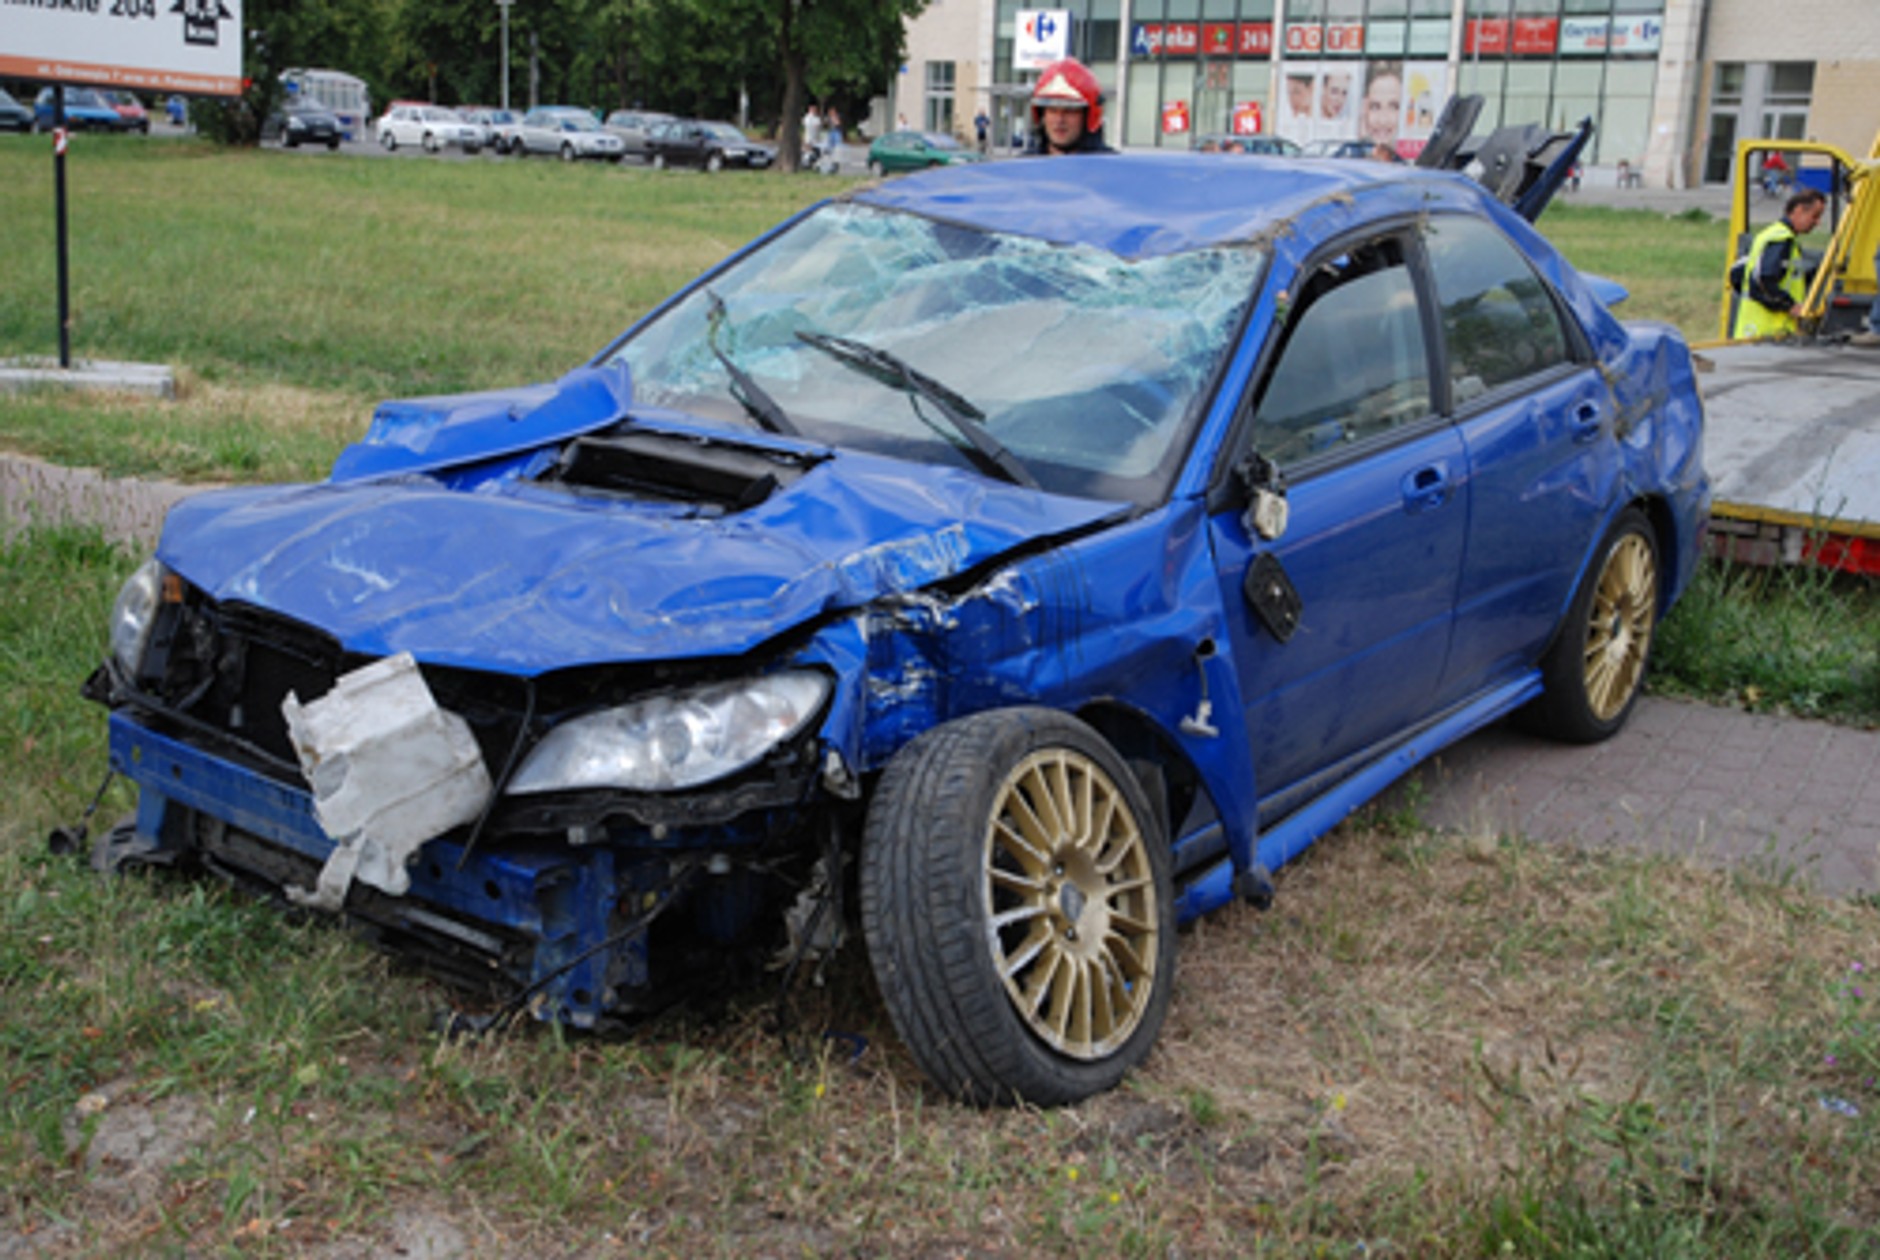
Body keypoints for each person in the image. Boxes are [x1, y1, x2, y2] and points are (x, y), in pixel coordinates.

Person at [1733, 187, 1827, 340]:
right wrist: (1790, 305)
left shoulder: (1771, 234)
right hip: (1767, 334)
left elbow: (1737, 275)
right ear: (1798, 210)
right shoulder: (1781, 240)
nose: (1817, 223)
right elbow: (1764, 279)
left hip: (1755, 330)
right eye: (1815, 216)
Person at [1023, 57, 1113, 156]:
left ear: (1088, 116)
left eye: (1069, 111)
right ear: (1042, 115)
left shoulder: (1112, 168)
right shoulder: (1023, 168)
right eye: (1052, 110)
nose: (1059, 120)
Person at [1362, 60, 1403, 150]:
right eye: (1375, 107)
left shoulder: (1417, 162)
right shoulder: (1344, 159)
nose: (1383, 121)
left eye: (1393, 107)